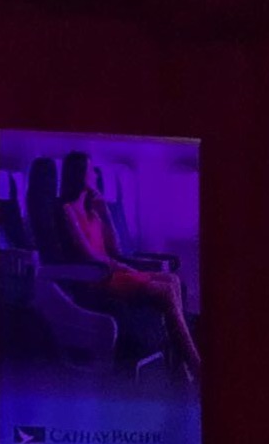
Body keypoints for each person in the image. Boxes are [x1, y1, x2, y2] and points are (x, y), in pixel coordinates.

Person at [58, 151, 201, 375]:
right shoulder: (68, 210)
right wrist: (119, 266)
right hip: (97, 279)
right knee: (165, 291)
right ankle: (194, 364)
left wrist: (105, 213)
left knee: (173, 280)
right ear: (79, 174)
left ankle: (182, 362)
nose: (95, 175)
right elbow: (88, 254)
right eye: (90, 170)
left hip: (111, 272)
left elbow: (115, 249)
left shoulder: (93, 210)